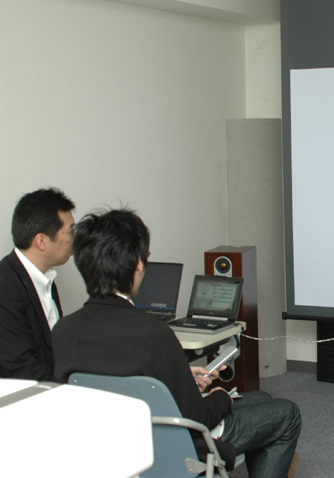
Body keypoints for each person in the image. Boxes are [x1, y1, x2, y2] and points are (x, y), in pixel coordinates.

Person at [52, 208, 301, 478]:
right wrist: (220, 397)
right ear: (138, 265)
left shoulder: (63, 330)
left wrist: (181, 376)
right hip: (173, 444)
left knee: (262, 398)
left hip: (108, 445)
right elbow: (197, 417)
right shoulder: (153, 333)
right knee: (287, 414)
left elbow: (122, 379)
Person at [0, 188, 75, 381]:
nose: (74, 239)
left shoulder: (45, 278)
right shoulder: (5, 287)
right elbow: (21, 370)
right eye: (70, 232)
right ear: (41, 241)